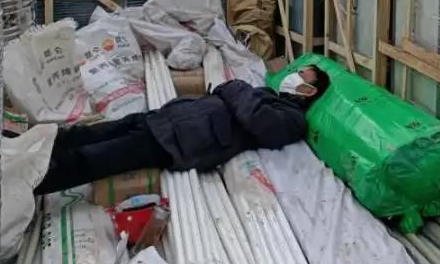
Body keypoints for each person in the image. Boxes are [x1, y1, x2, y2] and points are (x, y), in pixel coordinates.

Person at [35, 73, 325, 195]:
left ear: (310, 91)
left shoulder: (293, 119)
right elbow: (236, 96)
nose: (295, 74)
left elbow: (260, 121)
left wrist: (236, 89)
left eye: (303, 75)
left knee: (92, 159)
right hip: (164, 119)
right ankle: (29, 149)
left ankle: (31, 182)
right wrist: (238, 92)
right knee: (89, 134)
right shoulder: (266, 94)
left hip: (179, 141)